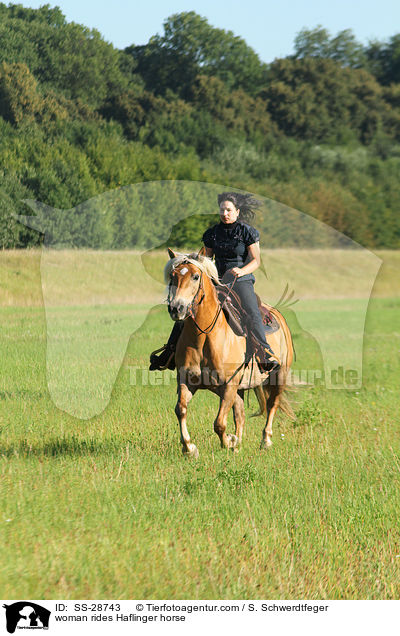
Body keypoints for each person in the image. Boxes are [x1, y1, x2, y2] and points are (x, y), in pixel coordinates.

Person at [149, 192, 280, 372]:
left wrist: (241, 271)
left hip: (241, 280)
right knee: (188, 308)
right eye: (222, 210)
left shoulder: (247, 232)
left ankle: (265, 353)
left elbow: (256, 260)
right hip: (217, 279)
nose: (225, 213)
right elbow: (206, 259)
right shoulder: (212, 233)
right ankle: (169, 353)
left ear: (237, 211)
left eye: (228, 210)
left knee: (251, 310)